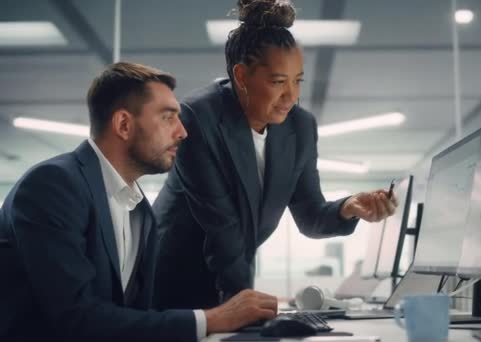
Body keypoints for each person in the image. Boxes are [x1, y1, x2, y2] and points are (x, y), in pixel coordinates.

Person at [0, 62, 277, 342]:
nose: (182, 132)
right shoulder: (53, 186)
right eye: (168, 117)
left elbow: (131, 319)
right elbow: (77, 319)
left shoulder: (140, 211)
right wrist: (211, 319)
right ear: (123, 124)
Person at [153, 0, 397, 311]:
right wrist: (244, 307)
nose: (291, 96)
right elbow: (222, 227)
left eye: (298, 81)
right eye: (278, 82)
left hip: (233, 268)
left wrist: (347, 208)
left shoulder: (301, 126)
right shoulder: (198, 118)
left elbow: (310, 215)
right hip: (173, 280)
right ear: (241, 76)